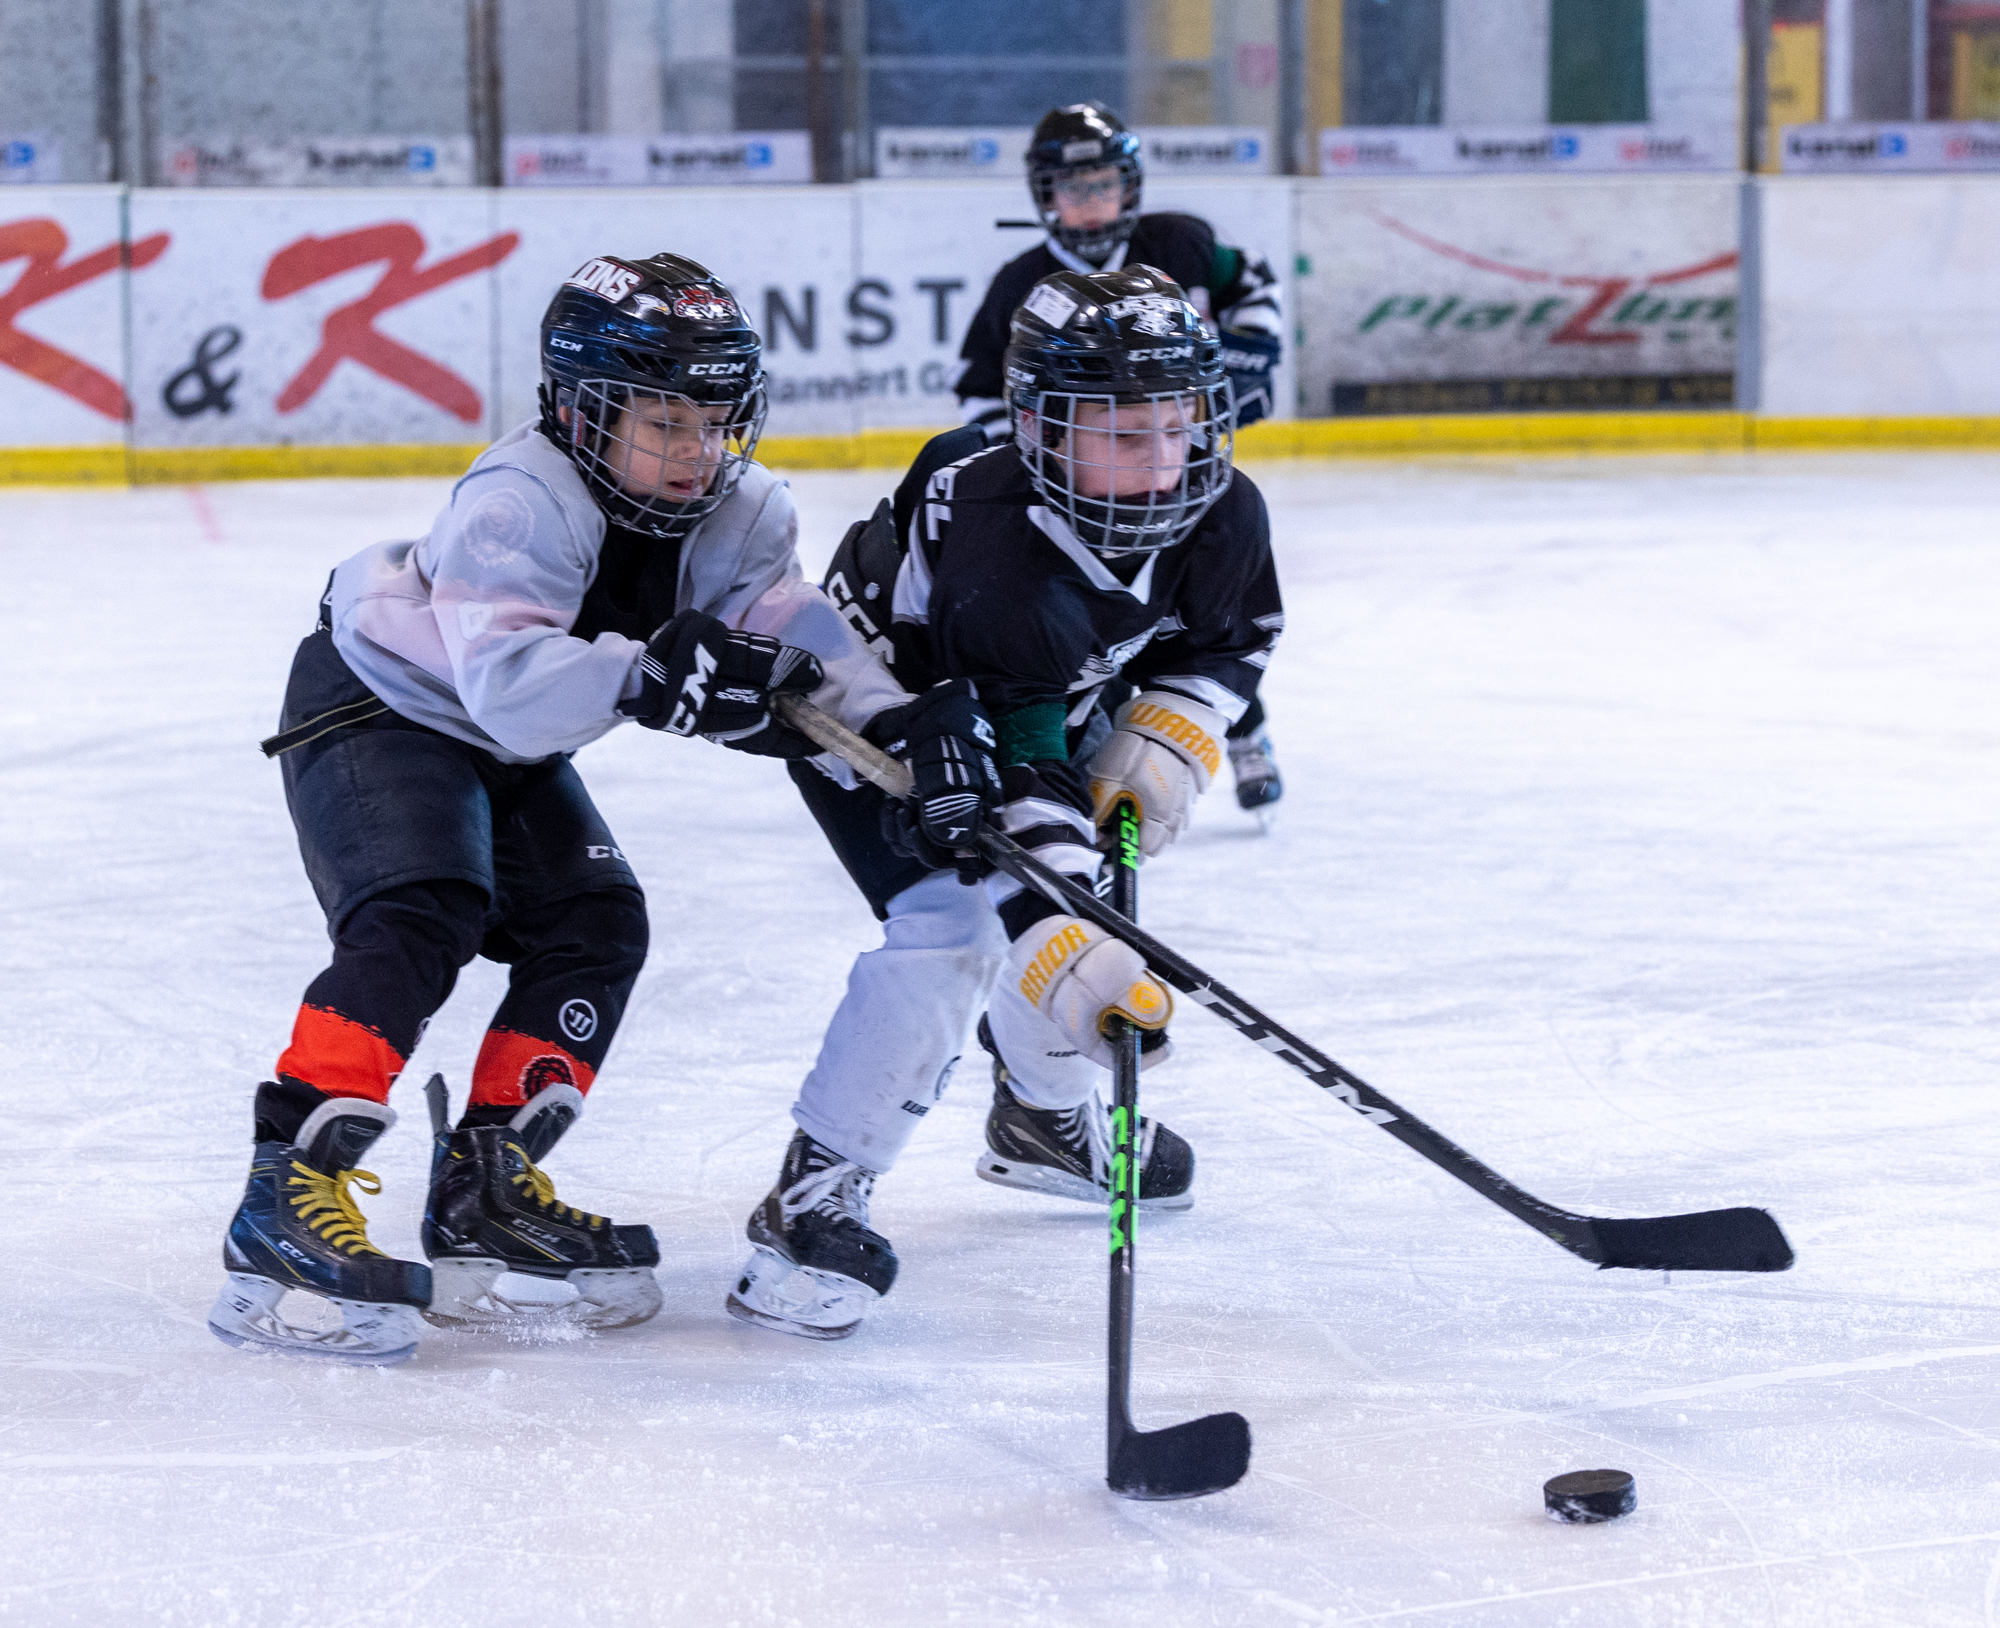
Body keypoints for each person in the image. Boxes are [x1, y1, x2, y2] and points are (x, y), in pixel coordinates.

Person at [208, 251, 925, 1365]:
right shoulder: (520, 497)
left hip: (504, 734)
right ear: (584, 411)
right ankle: (286, 1188)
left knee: (595, 922)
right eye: (665, 421)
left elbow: (801, 641)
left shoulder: (745, 512)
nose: (697, 450)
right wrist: (652, 674)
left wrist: (902, 726)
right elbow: (508, 686)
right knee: (422, 908)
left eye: (716, 422)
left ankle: (485, 1182)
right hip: (385, 700)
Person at [728, 265, 1283, 1342]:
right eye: (1125, 434)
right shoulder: (999, 547)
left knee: (1076, 903)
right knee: (960, 926)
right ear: (1039, 427)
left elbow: (1230, 640)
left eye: (1178, 427)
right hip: (876, 715)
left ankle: (1043, 1119)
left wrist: (1168, 728)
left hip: (1029, 707)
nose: (1163, 461)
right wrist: (1068, 944)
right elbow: (1015, 785)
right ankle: (810, 1199)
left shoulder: (1223, 509)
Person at [954, 102, 1286, 816]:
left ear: (1130, 187)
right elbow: (979, 386)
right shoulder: (1021, 285)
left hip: (1175, 466)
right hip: (1080, 489)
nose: (1090, 200)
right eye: (1072, 188)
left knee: (1207, 606)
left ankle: (1245, 733)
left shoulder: (1180, 242)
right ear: (1044, 194)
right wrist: (1034, 457)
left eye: (1103, 184)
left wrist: (1252, 354)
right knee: (1101, 622)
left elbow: (1253, 283)